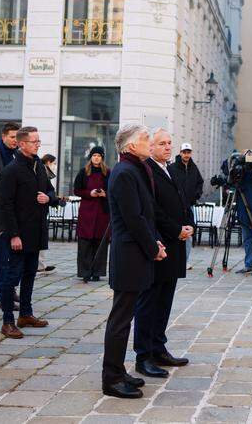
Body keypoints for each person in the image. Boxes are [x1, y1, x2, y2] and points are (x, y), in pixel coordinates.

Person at [101, 124, 165, 399]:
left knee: (126, 316)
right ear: (129, 146)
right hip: (129, 254)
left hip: (137, 251)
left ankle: (119, 370)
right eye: (144, 139)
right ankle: (111, 378)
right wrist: (152, 248)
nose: (149, 143)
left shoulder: (135, 169)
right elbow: (133, 218)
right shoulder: (124, 172)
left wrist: (155, 242)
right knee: (120, 319)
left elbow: (146, 213)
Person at [134, 129, 194, 377]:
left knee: (165, 300)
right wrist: (175, 229)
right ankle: (143, 355)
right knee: (149, 302)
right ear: (151, 146)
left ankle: (159, 347)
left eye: (170, 143)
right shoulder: (147, 170)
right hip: (159, 243)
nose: (168, 147)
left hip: (176, 244)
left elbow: (182, 199)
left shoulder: (169, 167)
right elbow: (153, 210)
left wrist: (188, 225)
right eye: (162, 143)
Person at [0, 126, 60, 339]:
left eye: (38, 141)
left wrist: (48, 198)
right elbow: (6, 205)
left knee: (30, 275)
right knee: (10, 278)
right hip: (18, 234)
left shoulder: (38, 165)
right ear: (22, 144)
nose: (38, 144)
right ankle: (7, 321)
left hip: (36, 231)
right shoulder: (11, 170)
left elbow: (51, 191)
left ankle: (26, 314)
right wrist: (13, 234)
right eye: (34, 141)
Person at [74, 146, 110, 280]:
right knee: (85, 242)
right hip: (87, 212)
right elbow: (77, 190)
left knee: (100, 242)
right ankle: (85, 272)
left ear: (102, 158)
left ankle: (97, 272)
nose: (96, 158)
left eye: (99, 156)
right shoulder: (84, 172)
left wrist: (104, 194)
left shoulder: (108, 172)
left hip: (102, 212)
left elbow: (113, 190)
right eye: (94, 155)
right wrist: (90, 193)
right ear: (91, 157)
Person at [168, 143, 204, 269]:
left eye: (188, 152)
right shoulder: (172, 168)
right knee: (176, 232)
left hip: (189, 206)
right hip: (176, 206)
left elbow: (200, 182)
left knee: (188, 233)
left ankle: (185, 260)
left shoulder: (194, 168)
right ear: (180, 152)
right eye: (184, 152)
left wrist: (196, 195)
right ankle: (175, 259)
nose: (186, 154)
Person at [37, 154, 58, 274]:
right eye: (54, 163)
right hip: (37, 210)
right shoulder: (42, 170)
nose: (55, 166)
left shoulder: (45, 173)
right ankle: (39, 265)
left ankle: (41, 264)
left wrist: (50, 198)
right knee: (39, 238)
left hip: (43, 209)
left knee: (42, 238)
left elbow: (50, 190)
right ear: (48, 162)